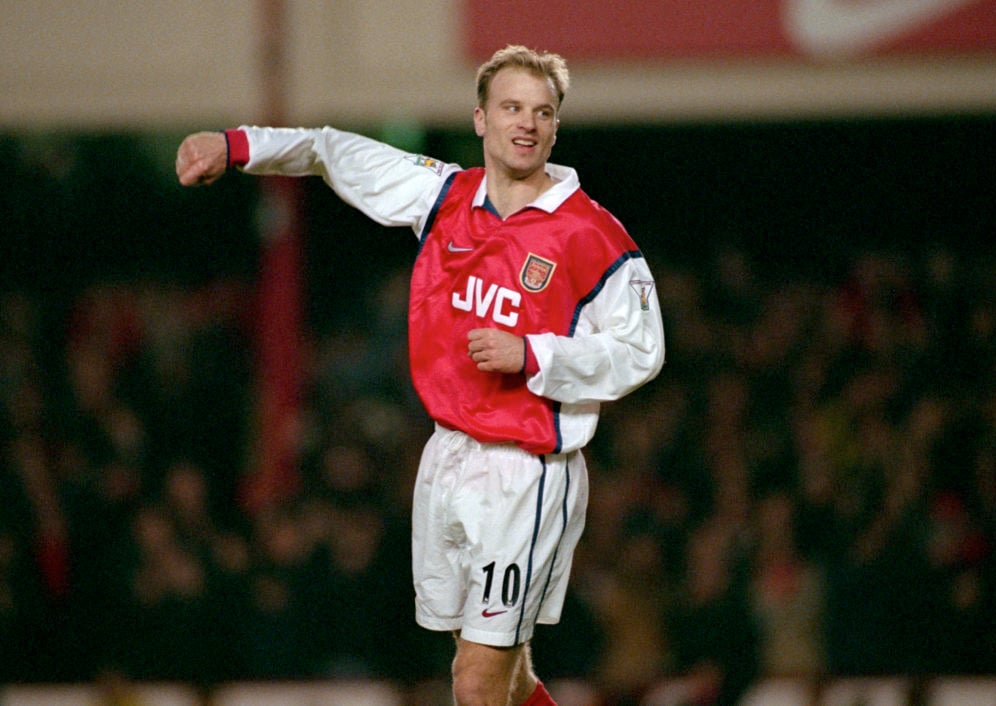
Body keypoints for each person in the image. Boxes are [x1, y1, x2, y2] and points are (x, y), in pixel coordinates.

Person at [176, 44, 665, 706]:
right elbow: (331, 151)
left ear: (555, 127)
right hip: (446, 456)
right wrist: (235, 146)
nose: (526, 123)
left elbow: (644, 350)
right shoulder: (444, 196)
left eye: (542, 112)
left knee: (475, 678)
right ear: (480, 119)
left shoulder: (592, 234)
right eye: (512, 107)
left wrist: (537, 355)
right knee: (503, 669)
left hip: (527, 470)